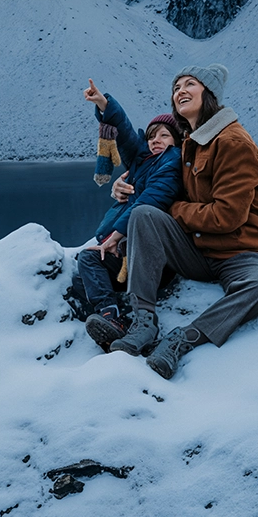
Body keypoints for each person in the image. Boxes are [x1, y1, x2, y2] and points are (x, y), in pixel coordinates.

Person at [110, 63, 258, 379]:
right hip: (201, 250)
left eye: (190, 84)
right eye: (176, 88)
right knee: (144, 214)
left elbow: (226, 216)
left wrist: (175, 210)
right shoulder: (189, 141)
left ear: (210, 94)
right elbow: (157, 181)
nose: (180, 91)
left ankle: (184, 338)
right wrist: (123, 188)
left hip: (243, 254)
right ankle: (144, 322)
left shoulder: (233, 142)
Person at [78, 78, 183, 350]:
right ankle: (110, 316)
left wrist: (116, 235)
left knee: (90, 260)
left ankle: (112, 317)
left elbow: (150, 200)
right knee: (82, 275)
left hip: (148, 253)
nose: (156, 141)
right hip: (129, 246)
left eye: (164, 135)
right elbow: (123, 131)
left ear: (176, 140)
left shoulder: (172, 162)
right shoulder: (141, 160)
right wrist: (104, 104)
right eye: (151, 136)